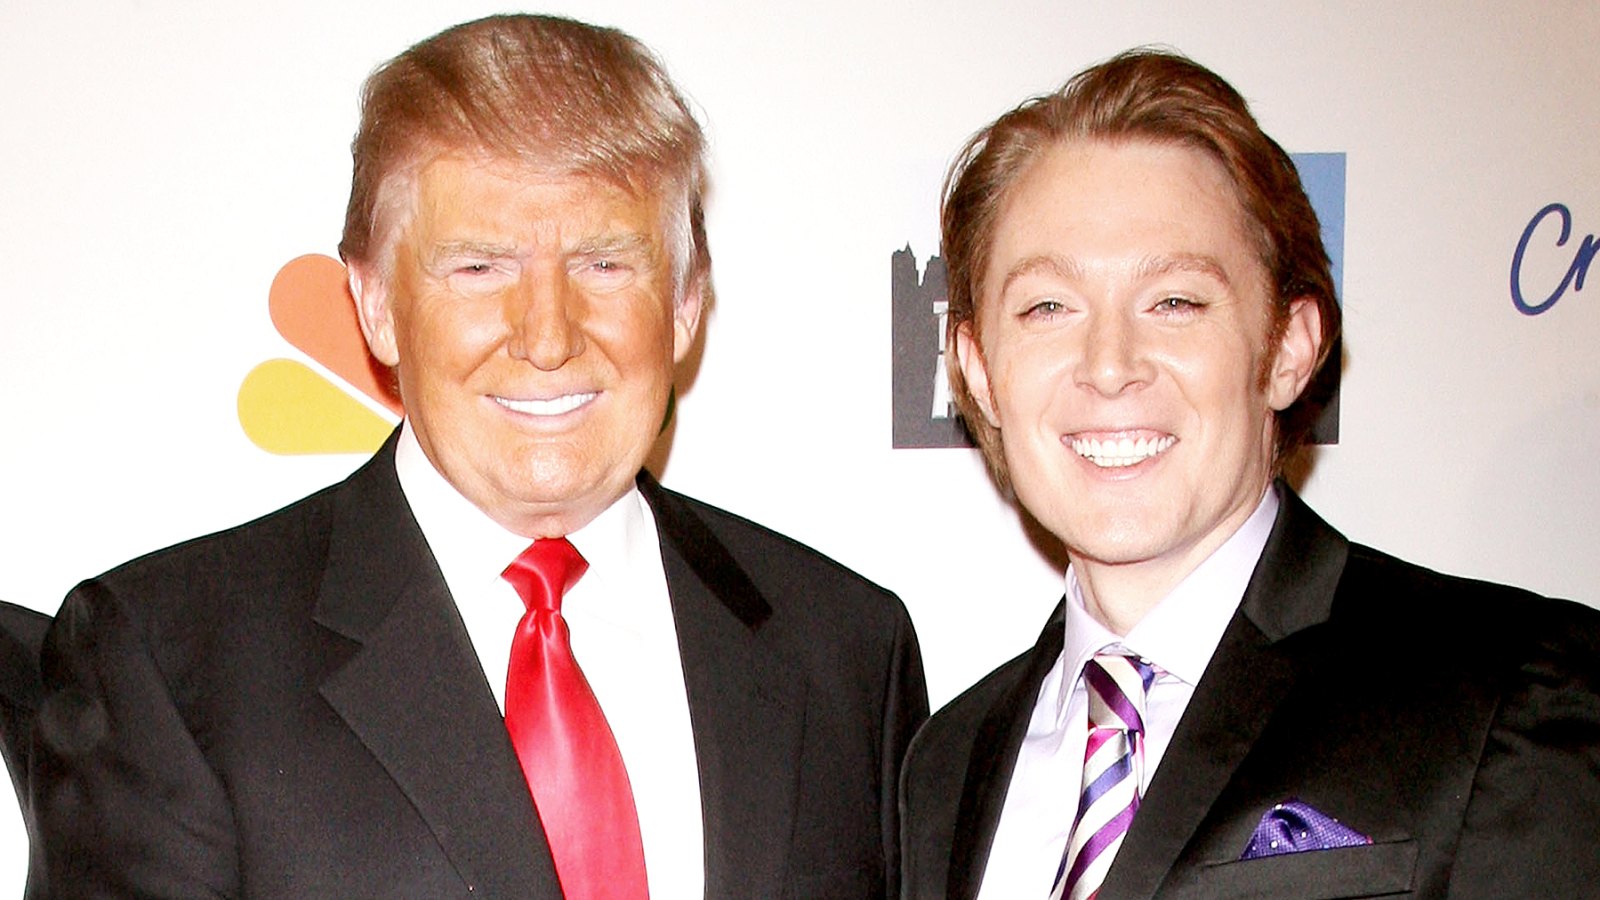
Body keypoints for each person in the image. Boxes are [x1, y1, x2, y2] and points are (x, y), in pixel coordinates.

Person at [34, 14, 926, 898]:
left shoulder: (846, 652)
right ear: (376, 304)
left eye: (606, 265)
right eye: (479, 268)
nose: (547, 336)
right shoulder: (170, 666)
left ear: (688, 300)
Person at [899, 48, 1600, 899]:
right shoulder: (944, 767)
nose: (1110, 364)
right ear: (977, 370)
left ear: (1289, 348)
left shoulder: (1509, 692)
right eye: (1048, 307)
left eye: (1176, 302)